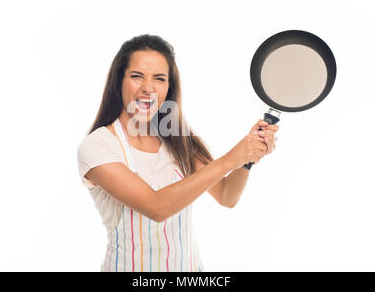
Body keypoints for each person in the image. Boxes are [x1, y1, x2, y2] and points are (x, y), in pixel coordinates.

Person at [77, 34, 279, 272]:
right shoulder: (98, 146)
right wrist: (231, 158)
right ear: (118, 81)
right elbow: (156, 207)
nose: (148, 88)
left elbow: (227, 195)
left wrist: (248, 159)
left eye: (160, 79)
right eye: (136, 76)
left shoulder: (178, 140)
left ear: (168, 87)